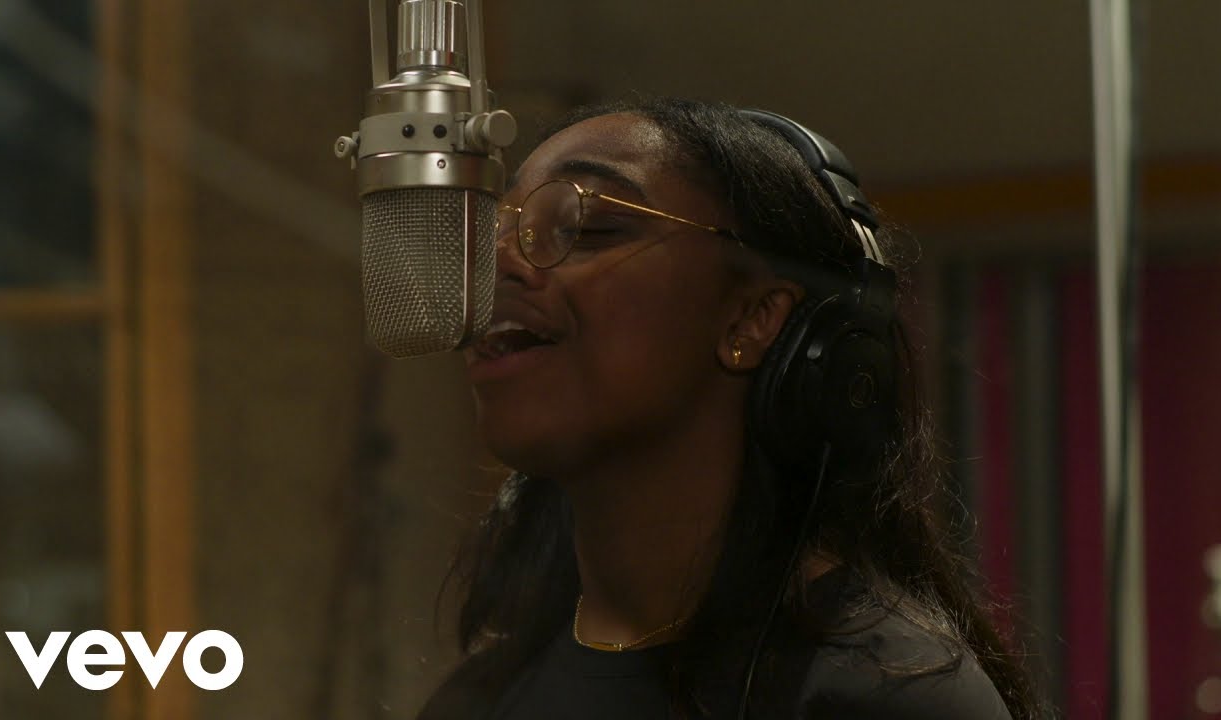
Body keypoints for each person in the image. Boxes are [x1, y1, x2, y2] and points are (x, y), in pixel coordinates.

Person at [415, 97, 1043, 719]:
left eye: (588, 228)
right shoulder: (481, 701)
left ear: (751, 316)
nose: (497, 265)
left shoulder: (888, 694)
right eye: (494, 235)